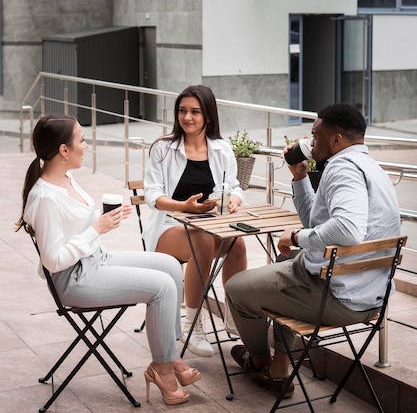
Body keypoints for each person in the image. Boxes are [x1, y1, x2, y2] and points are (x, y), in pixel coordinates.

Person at [15, 114, 201, 406]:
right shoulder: (45, 198)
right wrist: (96, 229)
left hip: (95, 259)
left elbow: (77, 226)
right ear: (64, 150)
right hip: (74, 279)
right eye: (82, 140)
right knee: (162, 287)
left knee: (167, 264)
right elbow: (54, 261)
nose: (86, 146)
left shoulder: (66, 177)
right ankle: (163, 369)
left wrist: (108, 219)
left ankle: (171, 355)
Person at [225, 103, 401, 398]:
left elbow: (348, 229)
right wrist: (299, 176)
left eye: (315, 135)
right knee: (287, 263)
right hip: (373, 297)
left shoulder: (342, 168)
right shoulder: (370, 166)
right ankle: (281, 370)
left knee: (235, 288)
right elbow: (317, 224)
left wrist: (295, 236)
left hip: (336, 298)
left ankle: (258, 360)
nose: (310, 142)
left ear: (336, 140)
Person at [144, 85, 247, 357]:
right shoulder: (163, 149)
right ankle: (194, 325)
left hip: (209, 224)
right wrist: (184, 206)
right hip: (169, 226)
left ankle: (234, 314)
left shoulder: (222, 149)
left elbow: (234, 186)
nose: (186, 117)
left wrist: (234, 198)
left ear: (208, 116)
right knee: (200, 239)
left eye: (194, 112)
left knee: (237, 243)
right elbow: (152, 195)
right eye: (182, 111)